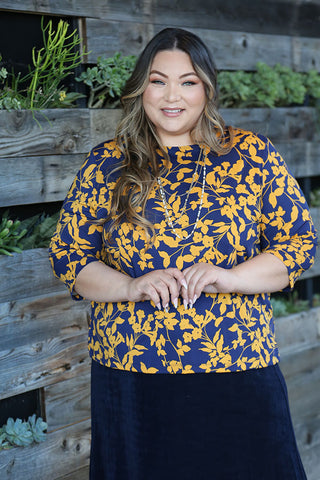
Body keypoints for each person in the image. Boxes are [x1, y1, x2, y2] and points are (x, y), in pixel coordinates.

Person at [49, 27, 317, 480]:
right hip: (133, 371)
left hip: (236, 364)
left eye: (188, 81)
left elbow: (297, 245)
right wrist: (131, 286)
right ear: (141, 88)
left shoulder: (251, 155)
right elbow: (70, 258)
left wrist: (230, 278)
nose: (172, 95)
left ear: (207, 88)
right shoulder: (106, 163)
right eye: (158, 80)